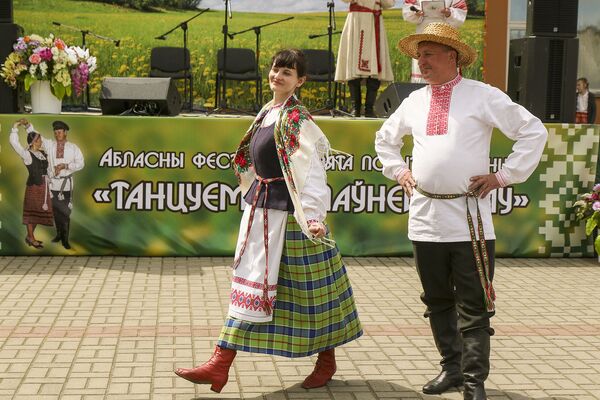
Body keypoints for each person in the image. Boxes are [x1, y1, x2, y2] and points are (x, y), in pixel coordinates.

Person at [374, 23, 547, 400]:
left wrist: (503, 176)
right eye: (419, 55)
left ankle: (474, 382)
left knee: (474, 304)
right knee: (436, 300)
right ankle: (451, 369)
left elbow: (533, 131)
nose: (421, 62)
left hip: (470, 221)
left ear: (452, 57)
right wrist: (400, 171)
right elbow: (384, 140)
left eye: (429, 54)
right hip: (424, 219)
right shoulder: (414, 101)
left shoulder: (482, 95)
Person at [174, 49, 363, 393]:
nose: (279, 76)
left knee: (311, 294)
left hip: (290, 219)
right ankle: (220, 364)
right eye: (277, 69)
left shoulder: (296, 120)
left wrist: (315, 217)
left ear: (300, 81)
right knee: (258, 287)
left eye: (288, 73)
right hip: (262, 212)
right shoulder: (268, 111)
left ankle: (325, 360)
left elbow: (312, 171)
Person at [22, 120, 85, 250]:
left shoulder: (73, 148)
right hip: (51, 186)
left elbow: (80, 164)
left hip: (65, 185)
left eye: (60, 132)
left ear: (65, 133)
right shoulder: (50, 145)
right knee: (55, 212)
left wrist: (66, 166)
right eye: (55, 132)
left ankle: (65, 240)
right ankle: (58, 235)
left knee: (65, 213)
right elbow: (36, 137)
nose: (57, 134)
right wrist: (28, 126)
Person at [335, 0, 395, 117]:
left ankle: (369, 109)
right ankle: (355, 108)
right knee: (352, 64)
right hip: (356, 21)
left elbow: (389, 3)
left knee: (375, 66)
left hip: (374, 21)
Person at [9, 119, 54, 249]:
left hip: (44, 186)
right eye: (38, 140)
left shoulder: (42, 153)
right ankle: (31, 238)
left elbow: (35, 135)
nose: (41, 141)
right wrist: (15, 126)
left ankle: (30, 236)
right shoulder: (27, 155)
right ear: (34, 142)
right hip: (34, 186)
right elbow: (14, 143)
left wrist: (28, 126)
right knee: (31, 213)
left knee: (38, 213)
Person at [402, 0, 467, 83]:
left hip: (446, 32)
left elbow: (461, 12)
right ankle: (422, 91)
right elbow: (408, 9)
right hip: (423, 32)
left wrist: (450, 13)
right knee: (424, 57)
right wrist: (416, 12)